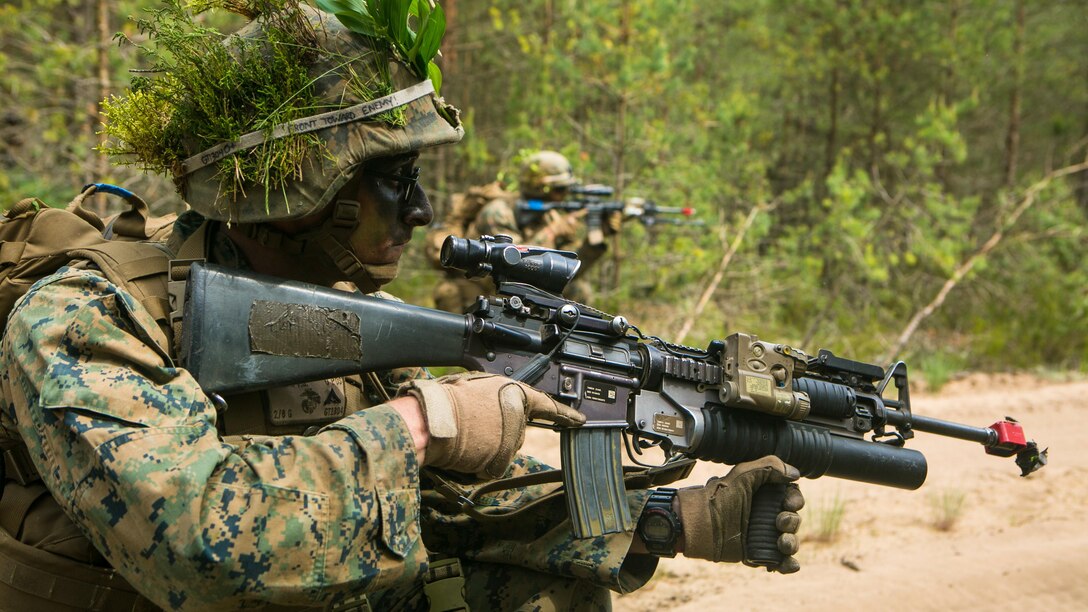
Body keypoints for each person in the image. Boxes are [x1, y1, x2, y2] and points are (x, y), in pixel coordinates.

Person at [0, 4, 803, 610]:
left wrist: (664, 519)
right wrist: (424, 424)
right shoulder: (85, 318)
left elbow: (441, 503)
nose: (421, 214)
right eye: (396, 182)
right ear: (301, 194)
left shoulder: (334, 307)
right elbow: (193, 542)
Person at [430, 150, 613, 313]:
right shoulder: (499, 212)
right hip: (484, 288)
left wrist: (595, 239)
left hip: (518, 292)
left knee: (578, 289)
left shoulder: (548, 216)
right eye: (559, 190)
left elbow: (567, 272)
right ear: (540, 188)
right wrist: (552, 232)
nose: (565, 195)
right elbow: (513, 263)